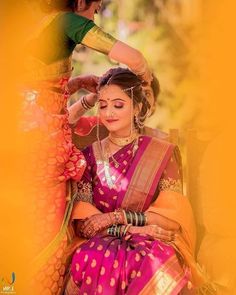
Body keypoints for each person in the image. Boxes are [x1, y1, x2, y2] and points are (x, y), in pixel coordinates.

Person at [22, 1, 152, 294]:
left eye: (119, 105)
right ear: (80, 1)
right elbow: (133, 57)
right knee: (45, 236)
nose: (94, 15)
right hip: (41, 156)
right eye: (96, 7)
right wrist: (145, 78)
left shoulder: (29, 29)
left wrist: (82, 91)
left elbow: (42, 102)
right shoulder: (64, 21)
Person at [64, 68, 206, 294]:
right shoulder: (89, 156)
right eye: (103, 105)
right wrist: (129, 230)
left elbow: (173, 220)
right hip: (100, 241)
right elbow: (85, 225)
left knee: (154, 261)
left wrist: (116, 216)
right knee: (92, 256)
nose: (109, 112)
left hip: (151, 240)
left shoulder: (162, 153)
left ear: (137, 108)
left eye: (118, 105)